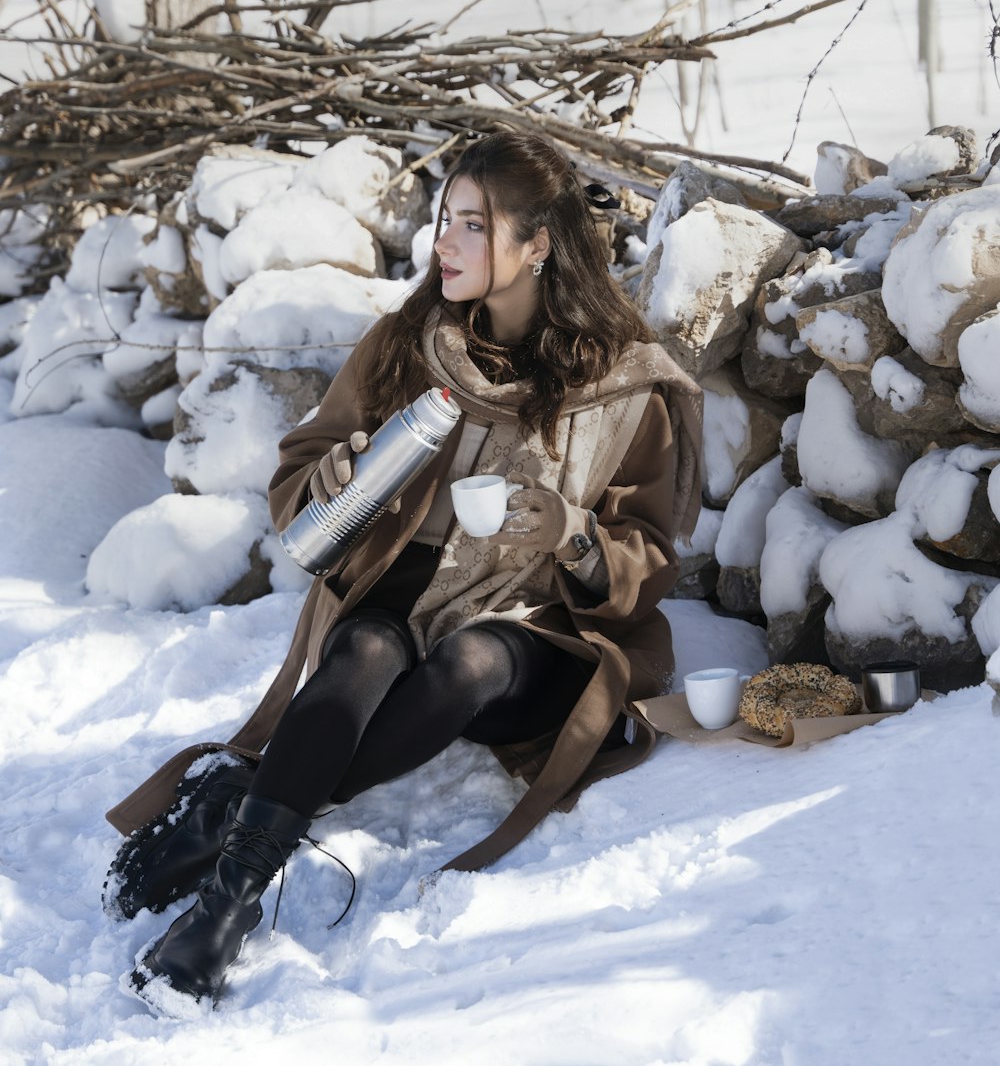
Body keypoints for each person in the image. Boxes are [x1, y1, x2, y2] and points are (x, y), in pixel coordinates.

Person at [106, 129, 702, 1010]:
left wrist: (574, 535)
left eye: (472, 224)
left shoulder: (626, 385)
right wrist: (337, 475)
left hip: (536, 633)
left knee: (472, 662)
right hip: (408, 589)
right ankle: (229, 905)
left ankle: (232, 808)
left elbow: (646, 562)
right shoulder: (407, 343)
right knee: (360, 657)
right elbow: (301, 467)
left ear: (537, 245)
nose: (444, 245)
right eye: (442, 220)